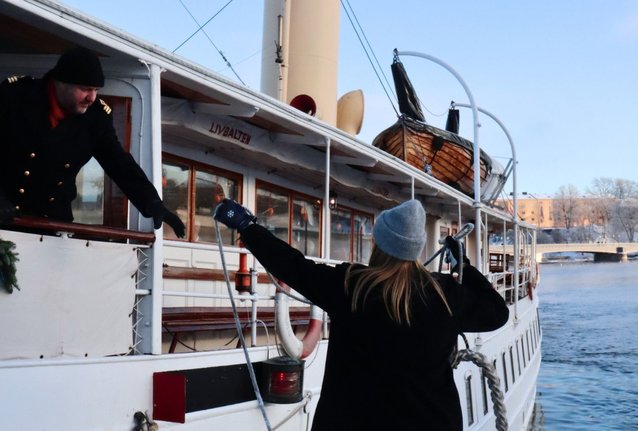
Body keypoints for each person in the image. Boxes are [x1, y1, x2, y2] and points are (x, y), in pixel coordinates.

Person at [214, 198, 509, 430]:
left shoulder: (350, 287)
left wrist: (246, 226)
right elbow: (497, 313)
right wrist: (463, 265)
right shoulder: (446, 296)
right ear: (416, 250)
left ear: (379, 244)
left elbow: (292, 265)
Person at [0, 46, 184, 237]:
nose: (92, 98)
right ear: (61, 82)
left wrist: (153, 203)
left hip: (52, 224)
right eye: (85, 89)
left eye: (96, 90)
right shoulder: (15, 97)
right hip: (6, 217)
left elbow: (120, 164)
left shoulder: (96, 118)